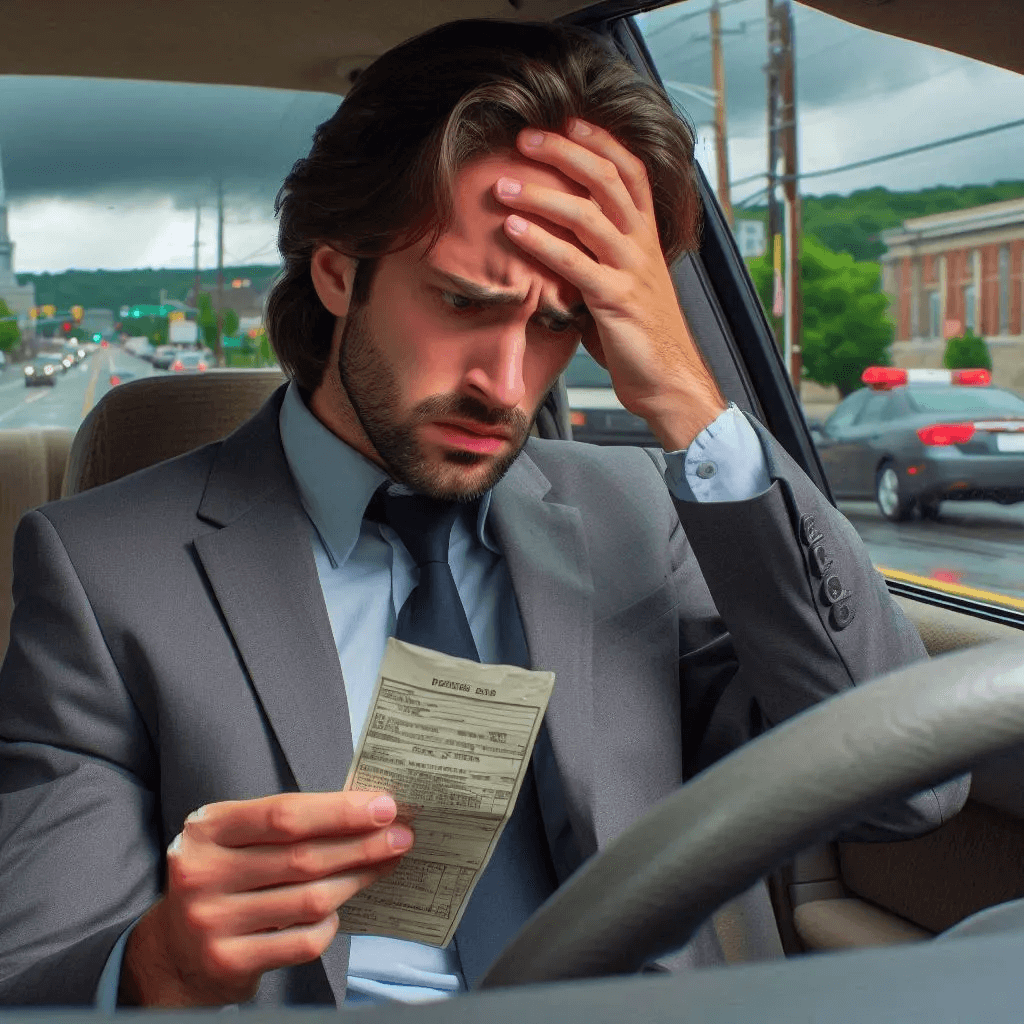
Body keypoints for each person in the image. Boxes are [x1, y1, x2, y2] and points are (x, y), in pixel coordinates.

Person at [0, 18, 966, 1009]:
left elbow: (903, 790)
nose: (505, 386)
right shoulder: (103, 571)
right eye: (463, 302)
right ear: (338, 271)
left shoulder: (647, 515)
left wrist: (685, 395)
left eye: (559, 322)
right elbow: (38, 972)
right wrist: (159, 963)